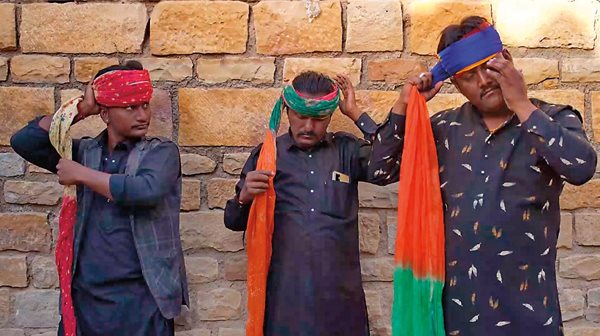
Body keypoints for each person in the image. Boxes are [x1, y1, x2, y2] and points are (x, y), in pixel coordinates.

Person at [389, 16, 597, 335]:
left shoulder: (553, 117)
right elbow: (381, 169)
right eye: (469, 76)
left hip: (528, 313)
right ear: (456, 85)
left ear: (507, 61)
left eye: (489, 66)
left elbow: (582, 167)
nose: (484, 81)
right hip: (457, 315)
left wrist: (522, 104)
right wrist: (405, 107)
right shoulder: (443, 129)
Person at [10, 60, 188, 336]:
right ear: (105, 113)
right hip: (87, 301)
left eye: (145, 105)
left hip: (143, 301)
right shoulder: (84, 152)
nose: (142, 115)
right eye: (130, 107)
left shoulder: (161, 153)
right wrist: (81, 109)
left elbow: (145, 190)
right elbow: (25, 141)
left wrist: (81, 174)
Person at [224, 71, 406, 335]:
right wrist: (244, 198)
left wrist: (357, 114)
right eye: (301, 116)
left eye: (318, 119)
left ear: (330, 116)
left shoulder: (346, 150)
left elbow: (387, 169)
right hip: (286, 300)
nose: (308, 126)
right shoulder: (266, 157)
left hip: (340, 298)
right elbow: (232, 222)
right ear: (287, 111)